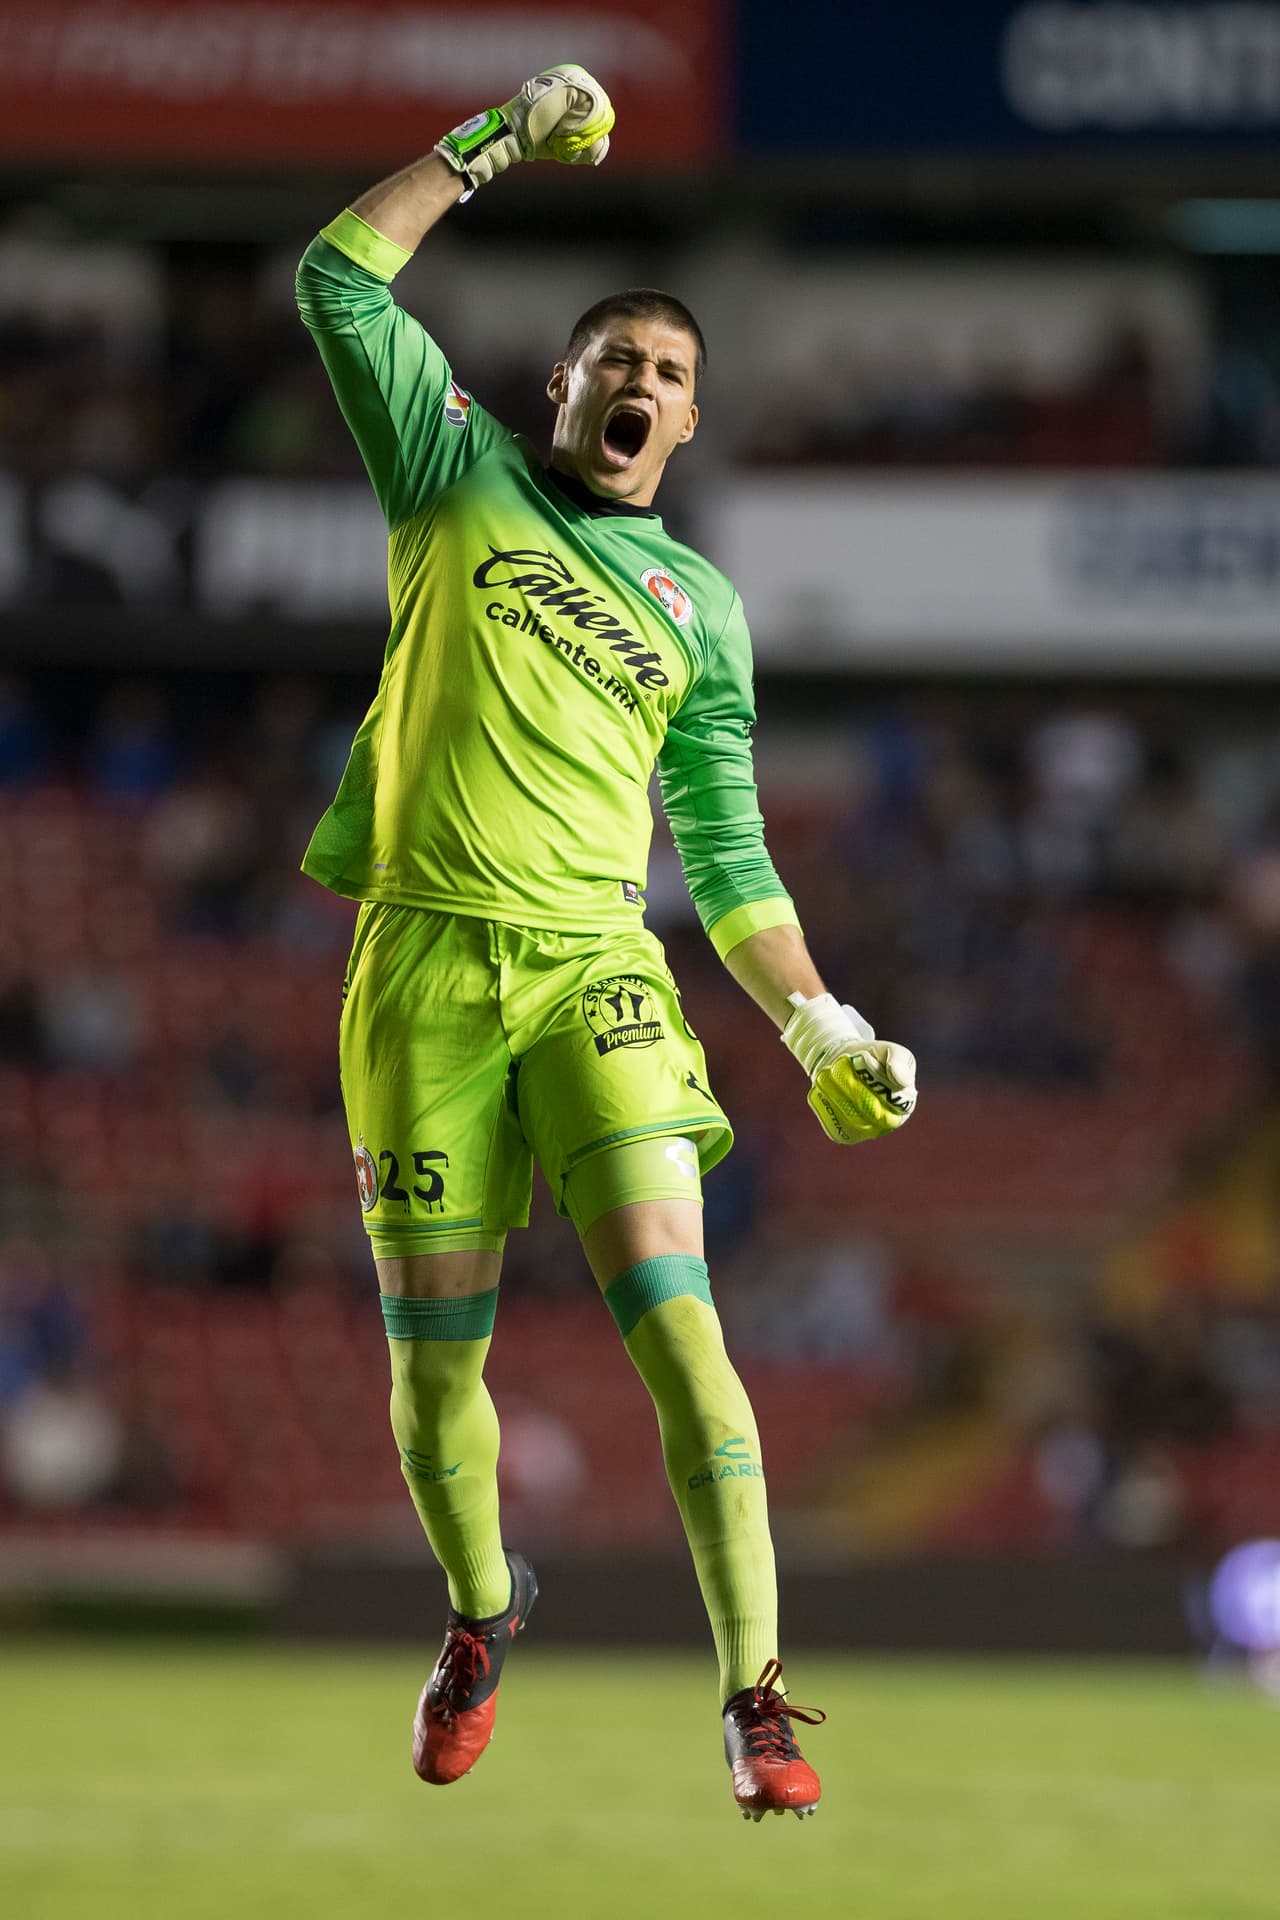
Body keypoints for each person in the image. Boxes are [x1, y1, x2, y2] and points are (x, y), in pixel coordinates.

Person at [294, 65, 918, 1821]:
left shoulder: (699, 611)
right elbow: (337, 279)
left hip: (596, 973)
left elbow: (727, 857)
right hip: (420, 969)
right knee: (436, 1385)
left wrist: (819, 1024)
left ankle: (759, 1696)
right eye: (617, 361)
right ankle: (487, 1615)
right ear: (553, 387)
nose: (641, 386)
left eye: (671, 376)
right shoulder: (450, 469)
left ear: (691, 425)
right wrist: (492, 140)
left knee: (682, 1328)